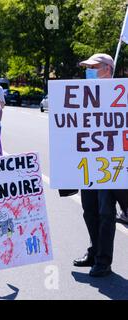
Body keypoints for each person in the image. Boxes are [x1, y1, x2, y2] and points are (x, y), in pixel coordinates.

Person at [72, 53, 128, 277]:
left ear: (107, 69)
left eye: (92, 67)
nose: (88, 71)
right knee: (89, 210)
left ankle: (104, 260)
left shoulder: (122, 95)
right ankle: (95, 251)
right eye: (87, 67)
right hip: (88, 162)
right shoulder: (82, 94)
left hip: (111, 163)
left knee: (106, 211)